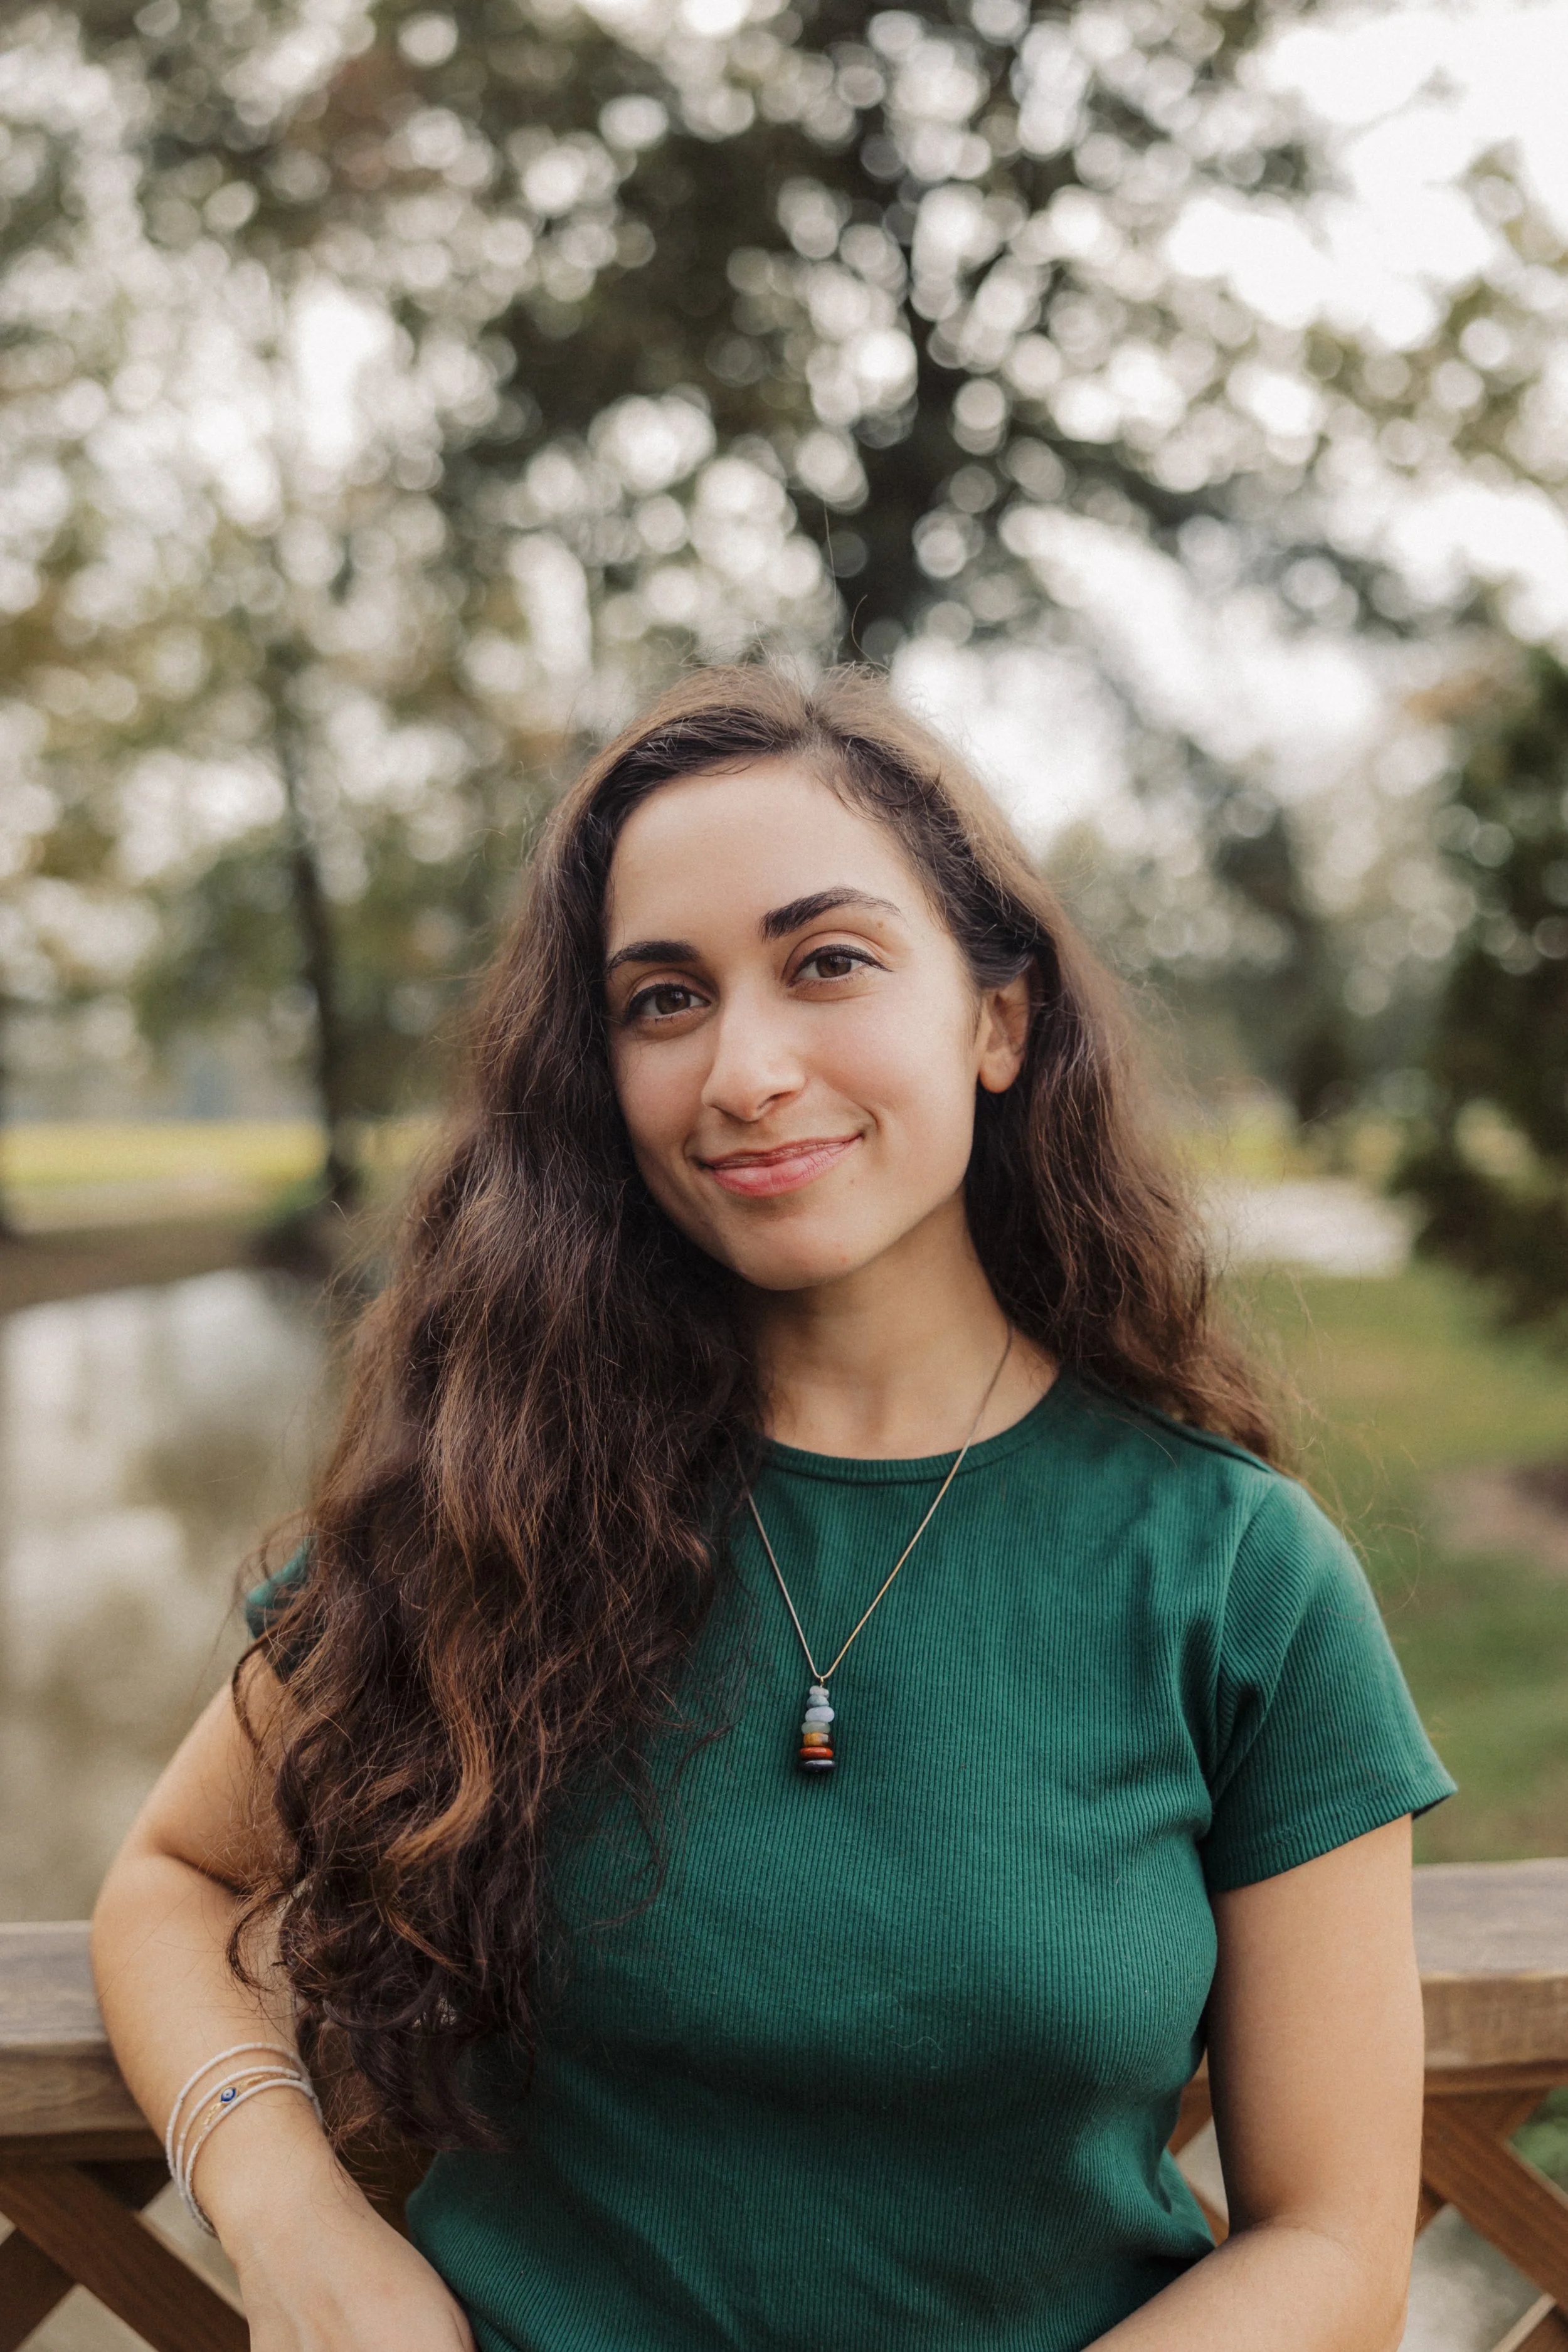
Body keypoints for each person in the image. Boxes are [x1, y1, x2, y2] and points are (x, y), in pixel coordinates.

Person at [93, 664, 1453, 2352]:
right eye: (663, 998)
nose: (742, 1069)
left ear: (996, 1017)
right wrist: (286, 2209)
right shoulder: (493, 1492)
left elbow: (1333, 2240)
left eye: (826, 962)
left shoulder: (1233, 1575)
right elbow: (171, 1873)